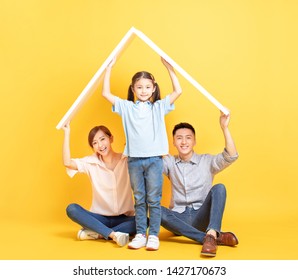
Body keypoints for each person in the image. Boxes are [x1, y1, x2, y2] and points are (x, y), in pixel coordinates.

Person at [102, 56, 182, 250]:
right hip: (135, 160)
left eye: (147, 87)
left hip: (155, 160)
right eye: (139, 87)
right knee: (139, 198)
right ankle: (140, 234)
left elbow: (178, 91)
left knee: (154, 199)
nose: (144, 91)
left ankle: (153, 235)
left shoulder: (158, 107)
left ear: (153, 88)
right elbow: (105, 93)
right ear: (133, 89)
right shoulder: (127, 107)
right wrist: (109, 68)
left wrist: (169, 68)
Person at [161, 111, 239, 257]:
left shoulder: (206, 161)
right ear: (173, 142)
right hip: (178, 220)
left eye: (188, 138)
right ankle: (211, 237)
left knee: (219, 188)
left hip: (201, 217)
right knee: (154, 209)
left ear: (194, 141)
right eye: (179, 138)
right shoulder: (169, 162)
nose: (184, 142)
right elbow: (149, 163)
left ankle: (211, 231)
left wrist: (224, 128)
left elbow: (231, 156)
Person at [62, 122, 136, 247]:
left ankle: (97, 233)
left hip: (124, 218)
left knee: (145, 221)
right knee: (72, 209)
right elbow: (67, 162)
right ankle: (113, 234)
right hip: (99, 218)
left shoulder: (127, 159)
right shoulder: (90, 163)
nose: (100, 145)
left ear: (111, 138)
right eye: (95, 143)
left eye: (103, 139)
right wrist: (66, 132)